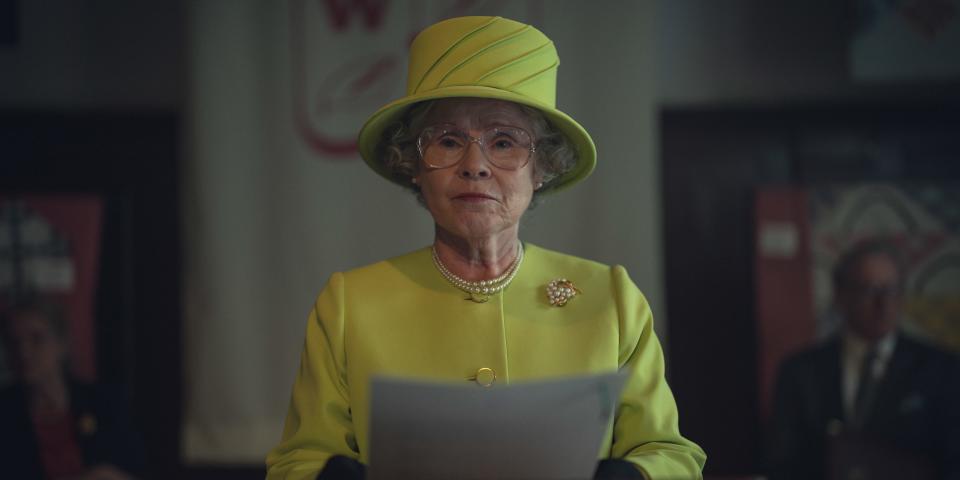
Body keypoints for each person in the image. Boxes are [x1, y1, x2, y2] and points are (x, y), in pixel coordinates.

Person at [265, 16, 706, 480]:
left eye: (503, 141)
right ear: (414, 164)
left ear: (542, 168)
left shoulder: (611, 299)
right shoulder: (348, 304)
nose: (474, 165)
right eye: (448, 140)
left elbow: (669, 453)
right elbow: (300, 460)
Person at [768, 239, 960, 480]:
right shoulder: (800, 371)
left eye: (891, 290)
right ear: (841, 295)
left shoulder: (940, 369)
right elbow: (781, 461)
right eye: (869, 290)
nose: (883, 303)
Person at [0, 298, 143, 480]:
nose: (23, 352)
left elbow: (133, 469)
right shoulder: (5, 413)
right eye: (14, 342)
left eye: (37, 339)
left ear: (62, 343)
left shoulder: (103, 404)